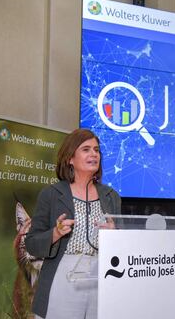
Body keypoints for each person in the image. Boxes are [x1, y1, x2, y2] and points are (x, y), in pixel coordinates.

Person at [25, 129, 121, 319]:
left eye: (96, 150)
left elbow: (124, 245)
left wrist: (115, 233)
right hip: (64, 273)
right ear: (70, 158)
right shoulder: (51, 194)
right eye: (86, 149)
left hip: (102, 274)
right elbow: (32, 243)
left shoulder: (111, 196)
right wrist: (55, 233)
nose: (94, 154)